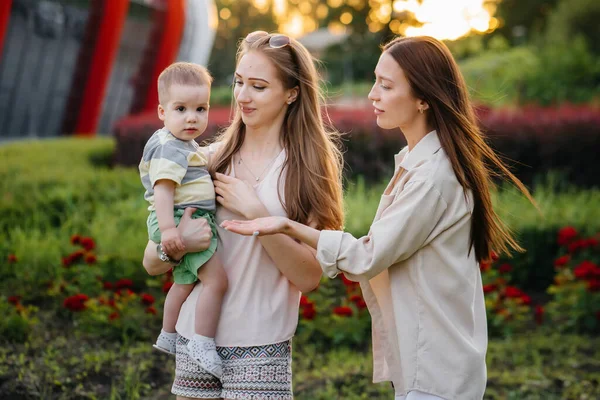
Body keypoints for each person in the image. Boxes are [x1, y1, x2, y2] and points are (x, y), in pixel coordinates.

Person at [221, 36, 537, 400]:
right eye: (375, 81)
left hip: (437, 372)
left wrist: (283, 225)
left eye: (385, 86)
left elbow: (367, 257)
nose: (372, 94)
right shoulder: (415, 162)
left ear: (423, 99)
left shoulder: (432, 178)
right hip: (427, 366)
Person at [142, 31, 344, 400]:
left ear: (291, 93)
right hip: (194, 340)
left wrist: (258, 213)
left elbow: (309, 276)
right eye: (238, 82)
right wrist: (178, 245)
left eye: (259, 86)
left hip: (262, 347)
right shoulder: (204, 159)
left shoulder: (308, 171)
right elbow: (151, 263)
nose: (242, 96)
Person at [139, 62, 227, 378]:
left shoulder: (182, 144)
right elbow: (163, 191)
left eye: (200, 108)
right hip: (177, 220)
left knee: (184, 282)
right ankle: (203, 343)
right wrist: (169, 231)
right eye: (181, 109)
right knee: (216, 281)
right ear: (162, 112)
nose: (192, 117)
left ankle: (168, 334)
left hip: (178, 220)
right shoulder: (170, 148)